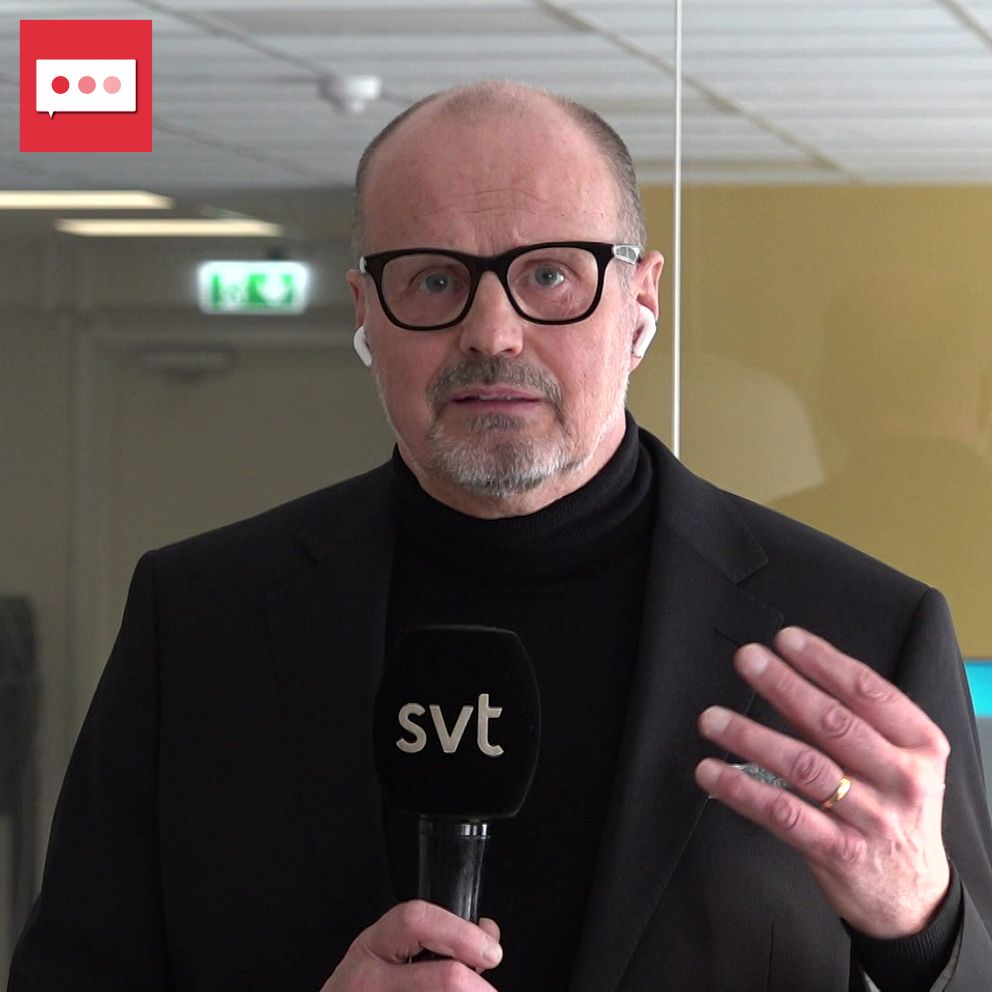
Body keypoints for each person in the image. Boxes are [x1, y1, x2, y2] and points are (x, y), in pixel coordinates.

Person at [9, 81, 992, 992]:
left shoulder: (862, 630)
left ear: (640, 303)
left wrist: (923, 925)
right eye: (434, 279)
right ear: (365, 314)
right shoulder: (199, 622)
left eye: (550, 274)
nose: (492, 331)